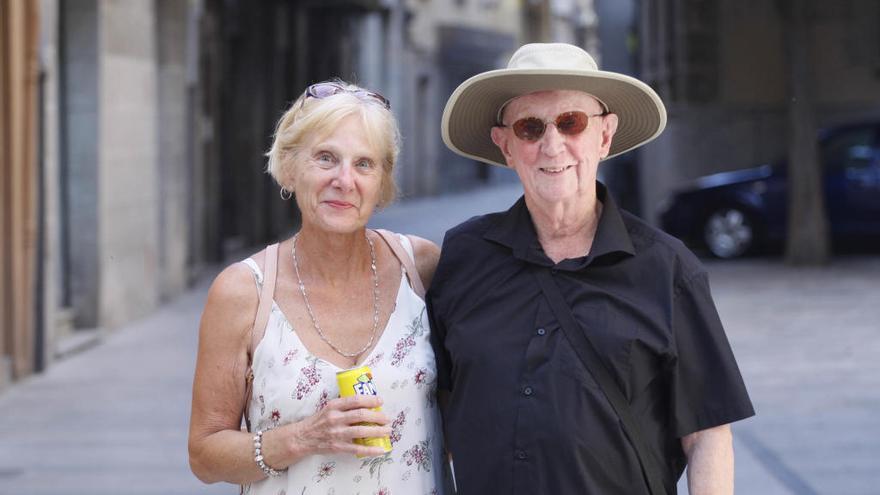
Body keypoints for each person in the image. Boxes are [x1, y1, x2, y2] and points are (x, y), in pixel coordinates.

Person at [428, 43, 755, 494]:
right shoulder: (465, 254)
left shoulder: (667, 267)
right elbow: (438, 407)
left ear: (604, 136)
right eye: (529, 127)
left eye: (570, 123)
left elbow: (707, 434)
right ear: (505, 145)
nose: (552, 144)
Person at [189, 80, 447, 494]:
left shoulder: (421, 269)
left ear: (382, 183)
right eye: (326, 158)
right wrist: (302, 438)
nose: (345, 180)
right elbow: (204, 454)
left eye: (364, 164)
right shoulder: (244, 291)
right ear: (290, 167)